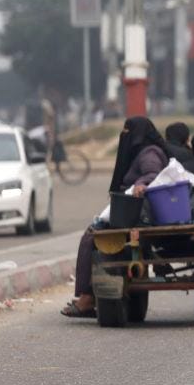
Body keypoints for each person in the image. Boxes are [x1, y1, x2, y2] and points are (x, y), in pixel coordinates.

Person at [61, 117, 169, 318]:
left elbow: (153, 174)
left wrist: (141, 184)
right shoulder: (143, 151)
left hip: (136, 212)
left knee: (91, 238)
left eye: (128, 131)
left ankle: (87, 298)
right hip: (129, 209)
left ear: (138, 133)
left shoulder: (149, 153)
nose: (124, 135)